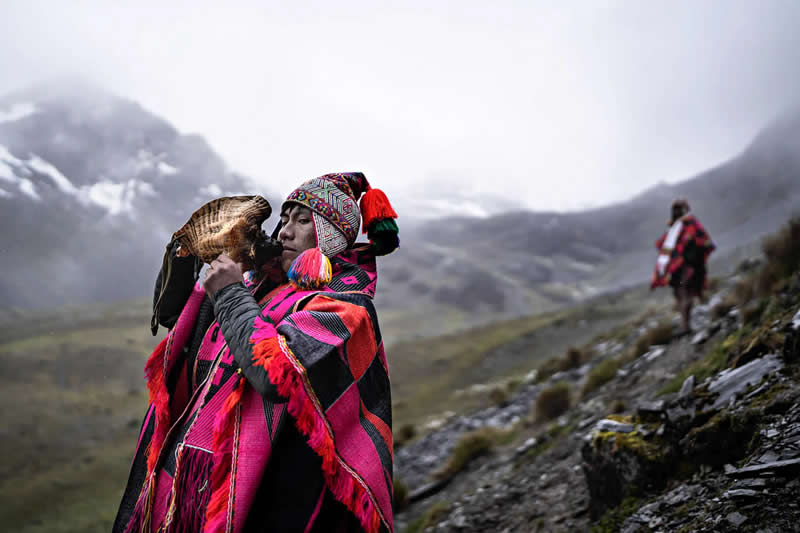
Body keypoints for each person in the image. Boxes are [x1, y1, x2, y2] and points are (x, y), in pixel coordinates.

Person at [113, 172, 399, 533]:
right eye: (283, 219)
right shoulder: (261, 288)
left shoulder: (345, 309)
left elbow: (273, 374)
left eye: (302, 220)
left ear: (331, 234)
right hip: (185, 479)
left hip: (263, 495)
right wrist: (189, 252)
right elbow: (176, 318)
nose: (284, 232)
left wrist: (231, 293)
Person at [650, 198, 715, 335]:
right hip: (677, 268)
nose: (677, 212)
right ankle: (690, 324)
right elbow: (666, 247)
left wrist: (690, 259)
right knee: (682, 295)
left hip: (687, 266)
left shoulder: (688, 223)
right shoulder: (674, 227)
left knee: (687, 294)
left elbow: (700, 241)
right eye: (676, 209)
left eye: (679, 209)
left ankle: (694, 323)